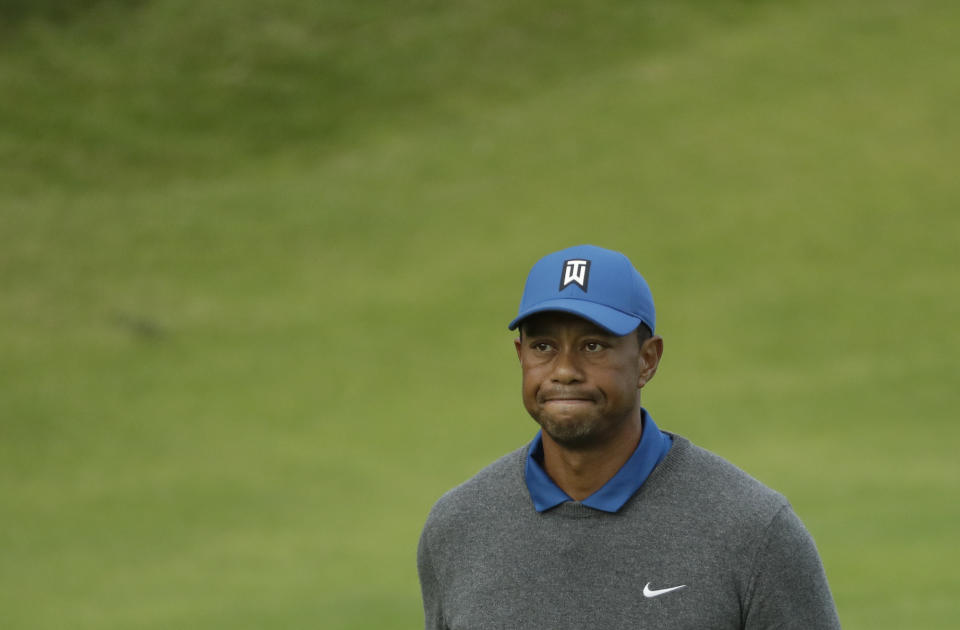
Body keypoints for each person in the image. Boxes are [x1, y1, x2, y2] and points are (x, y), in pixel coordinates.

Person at [417, 244, 841, 629]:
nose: (564, 370)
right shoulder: (457, 527)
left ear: (647, 360)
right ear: (520, 356)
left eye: (594, 346)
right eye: (543, 346)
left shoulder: (753, 532)